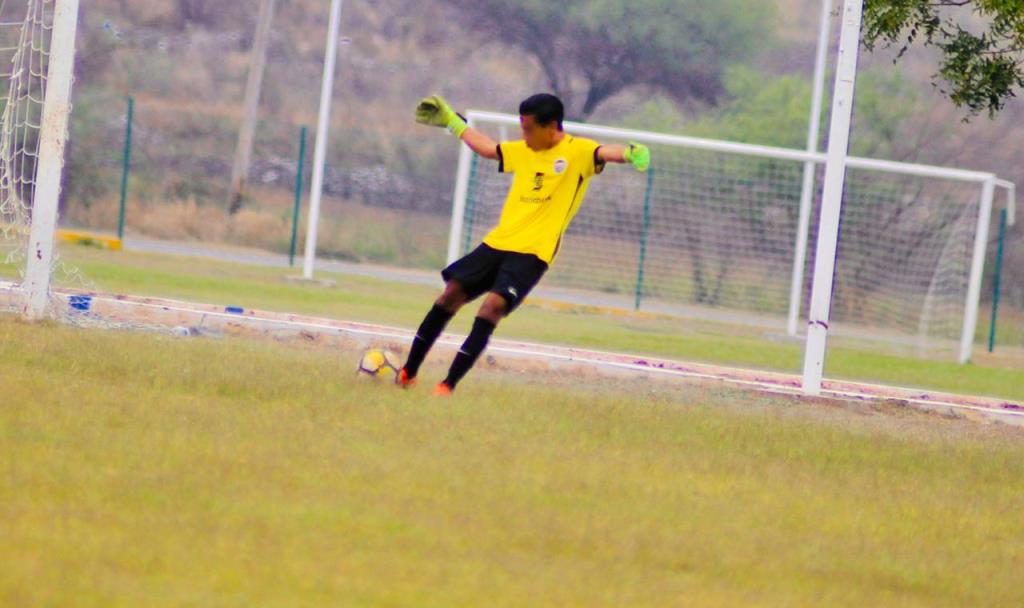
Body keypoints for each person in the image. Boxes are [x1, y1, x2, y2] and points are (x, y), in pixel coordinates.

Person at [397, 93, 650, 395]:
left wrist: (630, 154)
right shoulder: (525, 150)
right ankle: (408, 373)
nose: (524, 135)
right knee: (450, 294)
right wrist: (452, 121)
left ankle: (447, 385)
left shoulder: (578, 151)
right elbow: (488, 148)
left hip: (534, 252)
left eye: (528, 129)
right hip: (499, 241)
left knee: (492, 306)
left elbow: (605, 152)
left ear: (551, 126)